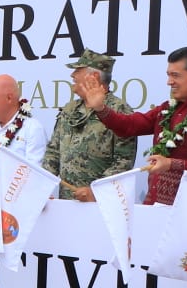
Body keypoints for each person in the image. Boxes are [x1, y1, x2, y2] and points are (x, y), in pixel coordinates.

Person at [77, 45, 187, 206]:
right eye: (168, 75)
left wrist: (171, 164)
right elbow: (129, 126)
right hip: (153, 206)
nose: (169, 82)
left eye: (175, 75)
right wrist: (101, 108)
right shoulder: (169, 108)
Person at [42, 51, 138, 202]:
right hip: (66, 203)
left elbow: (124, 161)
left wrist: (95, 191)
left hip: (100, 204)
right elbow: (53, 152)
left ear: (94, 77)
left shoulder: (119, 110)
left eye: (78, 70)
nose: (72, 75)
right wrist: (43, 187)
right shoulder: (70, 108)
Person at [0, 73, 51, 204]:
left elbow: (36, 174)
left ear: (9, 98)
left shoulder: (32, 128)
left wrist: (3, 176)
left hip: (15, 208)